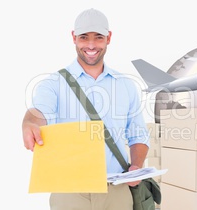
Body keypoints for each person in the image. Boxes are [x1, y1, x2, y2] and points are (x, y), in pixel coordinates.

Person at [22, 8, 149, 210]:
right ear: (73, 37)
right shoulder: (53, 83)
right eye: (84, 37)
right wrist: (29, 123)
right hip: (69, 192)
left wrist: (136, 166)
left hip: (116, 190)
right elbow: (39, 112)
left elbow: (139, 135)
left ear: (109, 38)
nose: (91, 45)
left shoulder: (125, 85)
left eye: (98, 37)